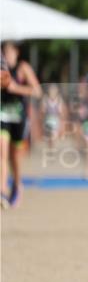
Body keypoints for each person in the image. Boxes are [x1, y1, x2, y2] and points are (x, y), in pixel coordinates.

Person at [0, 41, 42, 208]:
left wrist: (16, 88)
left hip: (19, 118)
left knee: (14, 158)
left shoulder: (23, 68)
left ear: (17, 52)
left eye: (10, 52)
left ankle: (17, 185)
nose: (7, 55)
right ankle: (2, 190)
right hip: (2, 116)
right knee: (1, 153)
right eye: (4, 52)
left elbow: (37, 91)